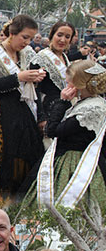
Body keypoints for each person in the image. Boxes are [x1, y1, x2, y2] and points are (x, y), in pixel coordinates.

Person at [0, 14, 45, 200]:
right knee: (2, 161)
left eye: (30, 38)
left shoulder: (27, 53)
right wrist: (18, 78)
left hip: (22, 113)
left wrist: (34, 79)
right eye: (24, 37)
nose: (27, 42)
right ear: (12, 33)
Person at [35, 59, 106, 211]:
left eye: (69, 83)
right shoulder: (90, 102)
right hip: (75, 157)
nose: (67, 86)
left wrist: (63, 102)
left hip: (76, 163)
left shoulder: (91, 108)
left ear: (80, 84)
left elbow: (52, 131)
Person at [29, 21, 74, 123]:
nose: (62, 40)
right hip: (47, 110)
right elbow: (35, 90)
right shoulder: (40, 58)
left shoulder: (65, 57)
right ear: (52, 35)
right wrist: (41, 118)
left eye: (67, 37)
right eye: (59, 35)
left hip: (63, 108)